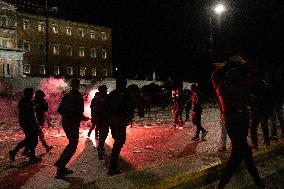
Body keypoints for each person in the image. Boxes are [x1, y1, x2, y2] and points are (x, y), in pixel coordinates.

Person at [211, 55, 264, 188]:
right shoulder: (242, 87)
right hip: (242, 121)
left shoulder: (221, 88)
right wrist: (244, 62)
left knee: (245, 152)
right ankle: (222, 184)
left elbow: (214, 77)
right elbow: (256, 72)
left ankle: (257, 181)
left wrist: (222, 66)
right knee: (238, 155)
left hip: (230, 122)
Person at [55, 78, 89, 178]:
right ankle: (60, 166)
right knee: (73, 145)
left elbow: (60, 110)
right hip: (73, 124)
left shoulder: (67, 96)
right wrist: (84, 118)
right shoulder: (78, 97)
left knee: (72, 143)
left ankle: (61, 166)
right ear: (78, 85)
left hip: (66, 122)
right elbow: (78, 112)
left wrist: (67, 115)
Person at [104, 75, 135, 176]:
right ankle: (112, 167)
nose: (125, 84)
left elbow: (106, 107)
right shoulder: (126, 94)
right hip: (119, 121)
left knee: (118, 140)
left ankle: (113, 164)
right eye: (124, 82)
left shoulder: (112, 94)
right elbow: (130, 107)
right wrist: (128, 117)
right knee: (119, 141)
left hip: (114, 121)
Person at [9, 88, 42, 163]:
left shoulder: (23, 101)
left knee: (29, 139)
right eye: (32, 93)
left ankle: (15, 151)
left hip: (25, 123)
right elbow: (31, 116)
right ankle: (32, 156)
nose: (33, 95)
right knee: (33, 140)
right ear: (29, 94)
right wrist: (36, 125)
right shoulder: (28, 102)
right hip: (29, 123)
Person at [91, 85, 109, 160]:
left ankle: (100, 146)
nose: (105, 91)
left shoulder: (103, 98)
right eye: (104, 90)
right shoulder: (98, 99)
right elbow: (93, 109)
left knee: (103, 133)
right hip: (101, 119)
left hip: (102, 119)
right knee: (103, 134)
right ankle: (100, 148)